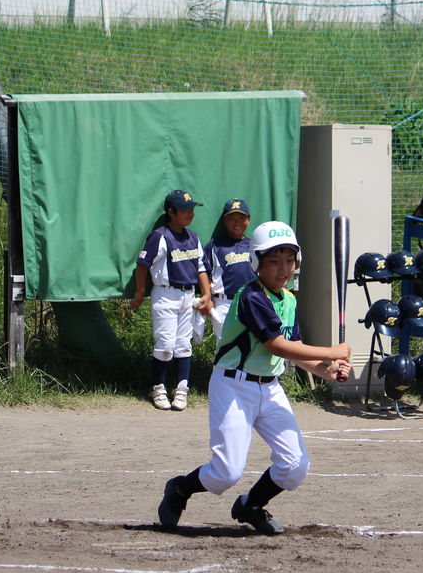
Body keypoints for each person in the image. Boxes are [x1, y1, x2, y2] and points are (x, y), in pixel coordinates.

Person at [156, 221, 351, 535]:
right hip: (233, 385)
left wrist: (327, 370)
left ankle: (251, 505)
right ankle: (180, 489)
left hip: (270, 388)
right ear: (257, 263)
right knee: (225, 473)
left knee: (295, 465)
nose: (283, 268)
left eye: (289, 260)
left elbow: (295, 350)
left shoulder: (288, 300)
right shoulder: (251, 296)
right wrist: (332, 351)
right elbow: (275, 344)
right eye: (273, 261)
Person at [131, 189, 213, 411]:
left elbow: (201, 268)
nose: (190, 214)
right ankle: (158, 388)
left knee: (183, 346)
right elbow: (142, 265)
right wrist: (140, 292)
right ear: (171, 212)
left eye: (192, 210)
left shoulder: (192, 237)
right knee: (166, 345)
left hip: (188, 295)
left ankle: (182, 389)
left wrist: (206, 295)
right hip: (165, 294)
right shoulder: (161, 235)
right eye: (185, 210)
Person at [195, 198, 255, 343]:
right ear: (224, 221)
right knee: (225, 345)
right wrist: (207, 298)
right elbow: (204, 273)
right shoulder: (215, 245)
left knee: (252, 343)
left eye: (241, 218)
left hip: (252, 300)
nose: (237, 222)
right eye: (232, 219)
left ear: (248, 220)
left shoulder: (254, 245)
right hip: (224, 303)